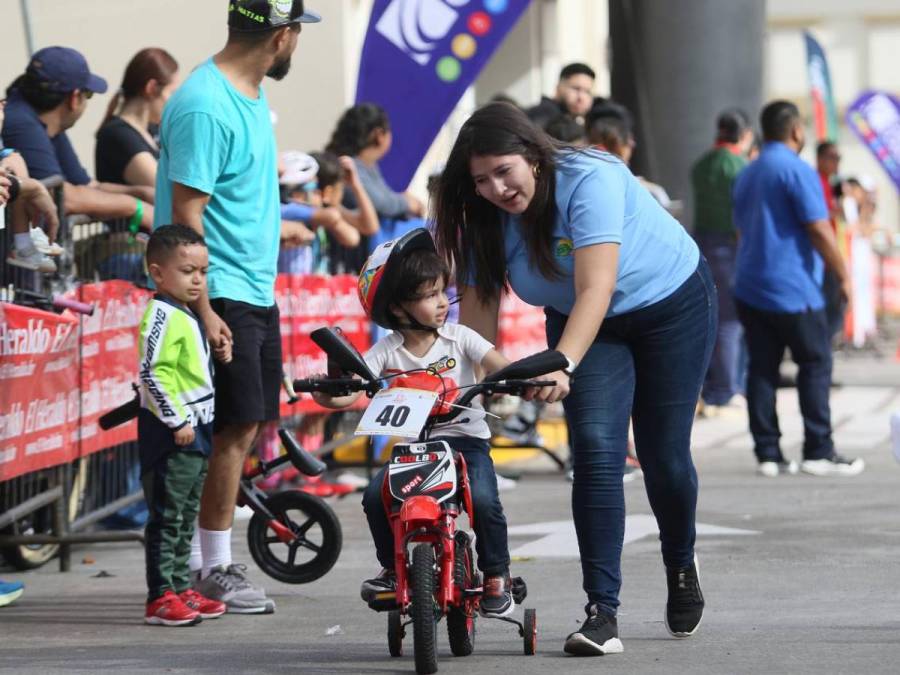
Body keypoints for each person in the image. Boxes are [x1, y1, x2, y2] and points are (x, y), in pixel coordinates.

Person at [432, 102, 715, 655]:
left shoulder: (591, 176)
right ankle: (601, 612)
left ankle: (680, 561)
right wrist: (469, 395)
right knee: (594, 449)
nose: (495, 189)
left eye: (504, 172)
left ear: (533, 157)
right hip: (587, 324)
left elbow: (597, 287)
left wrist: (563, 362)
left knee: (663, 455)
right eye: (480, 179)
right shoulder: (479, 213)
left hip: (670, 305)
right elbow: (478, 321)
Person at [153, 0, 321, 614]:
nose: (297, 45)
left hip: (249, 290)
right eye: (298, 33)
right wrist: (205, 309)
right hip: (220, 293)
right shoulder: (205, 102)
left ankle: (205, 562)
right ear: (282, 36)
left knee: (241, 426)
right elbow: (185, 217)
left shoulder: (244, 97)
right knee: (230, 430)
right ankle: (211, 568)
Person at [312, 228, 519, 617]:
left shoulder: (460, 338)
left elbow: (501, 366)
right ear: (398, 308)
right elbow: (352, 391)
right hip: (415, 450)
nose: (442, 303)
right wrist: (325, 391)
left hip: (465, 442)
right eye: (428, 296)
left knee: (486, 501)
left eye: (443, 291)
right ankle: (392, 570)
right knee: (375, 496)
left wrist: (516, 379)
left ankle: (496, 572)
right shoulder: (386, 350)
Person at [732, 100, 863, 478]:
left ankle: (768, 453)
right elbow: (820, 228)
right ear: (795, 130)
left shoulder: (747, 172)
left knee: (761, 369)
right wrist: (844, 276)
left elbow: (740, 228)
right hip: (792, 287)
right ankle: (818, 449)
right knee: (815, 362)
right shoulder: (797, 170)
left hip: (751, 284)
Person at [138, 224, 227, 627]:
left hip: (199, 430)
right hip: (174, 434)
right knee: (168, 515)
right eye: (188, 271)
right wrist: (176, 420)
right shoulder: (161, 314)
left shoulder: (186, 313)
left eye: (203, 272)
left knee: (186, 511)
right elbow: (152, 373)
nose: (198, 280)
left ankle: (180, 586)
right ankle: (160, 596)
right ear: (158, 273)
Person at [2, 46, 154, 271]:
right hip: (12, 272)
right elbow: (63, 197)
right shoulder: (22, 122)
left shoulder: (49, 123)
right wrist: (136, 207)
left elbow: (84, 185)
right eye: (88, 94)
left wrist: (138, 192)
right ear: (74, 98)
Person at [690, 108, 754, 416]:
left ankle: (714, 386)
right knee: (731, 322)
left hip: (703, 243)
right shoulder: (740, 166)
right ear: (744, 135)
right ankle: (727, 388)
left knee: (712, 318)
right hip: (732, 246)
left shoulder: (701, 164)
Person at [325, 103, 422, 273]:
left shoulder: (367, 166)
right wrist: (407, 203)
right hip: (355, 262)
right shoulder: (348, 167)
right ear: (379, 135)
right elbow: (379, 203)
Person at [816, 140, 846, 341]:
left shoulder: (830, 184)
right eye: (832, 158)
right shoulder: (816, 182)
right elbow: (816, 221)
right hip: (823, 259)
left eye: (838, 158)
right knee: (830, 309)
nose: (836, 163)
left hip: (830, 257)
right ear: (820, 159)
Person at [526, 63, 596, 130]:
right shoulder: (543, 115)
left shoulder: (584, 121)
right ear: (558, 88)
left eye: (587, 92)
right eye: (576, 88)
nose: (581, 97)